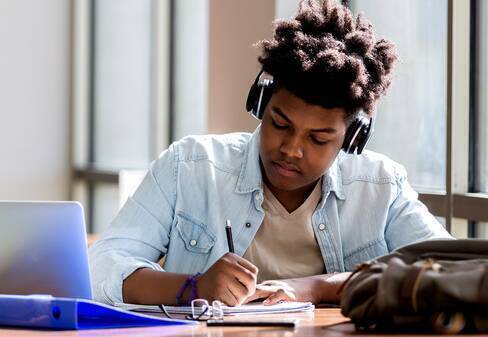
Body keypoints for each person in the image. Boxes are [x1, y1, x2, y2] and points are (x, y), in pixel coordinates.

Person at [89, 0, 452, 307]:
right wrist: (193, 288)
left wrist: (318, 286)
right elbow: (102, 267)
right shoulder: (191, 166)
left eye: (319, 139)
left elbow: (451, 272)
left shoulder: (380, 187)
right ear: (261, 104)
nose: (291, 149)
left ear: (352, 138)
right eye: (280, 124)